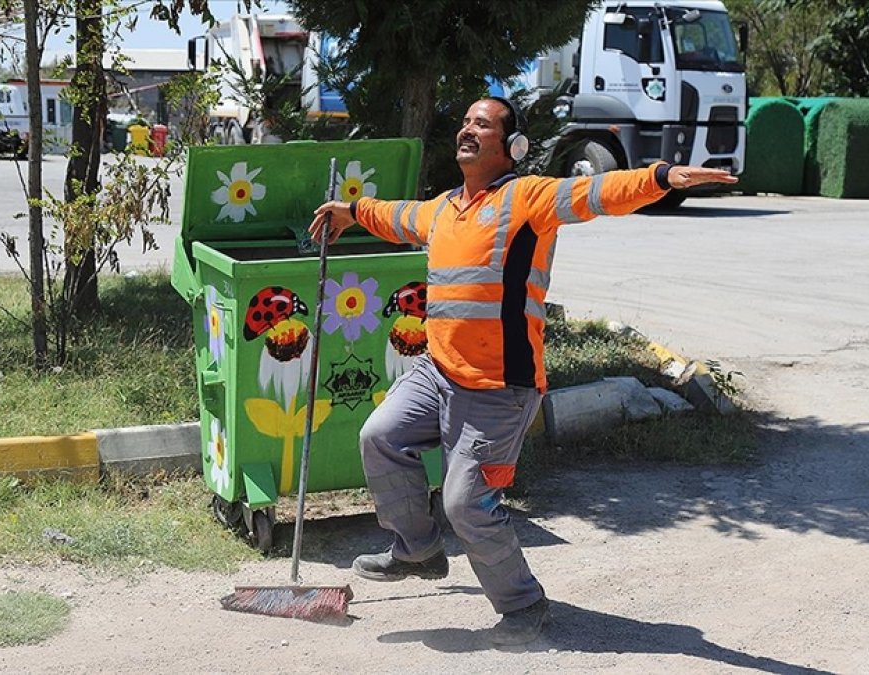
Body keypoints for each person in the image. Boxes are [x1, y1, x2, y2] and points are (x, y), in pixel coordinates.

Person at [309, 97, 736, 645]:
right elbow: (397, 217)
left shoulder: (527, 198)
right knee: (380, 436)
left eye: (481, 124)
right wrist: (353, 211)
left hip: (497, 389)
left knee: (467, 502)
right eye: (465, 122)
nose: (466, 130)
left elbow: (596, 194)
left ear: (512, 146)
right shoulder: (444, 208)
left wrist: (661, 176)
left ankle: (523, 606)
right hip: (437, 371)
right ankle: (417, 550)